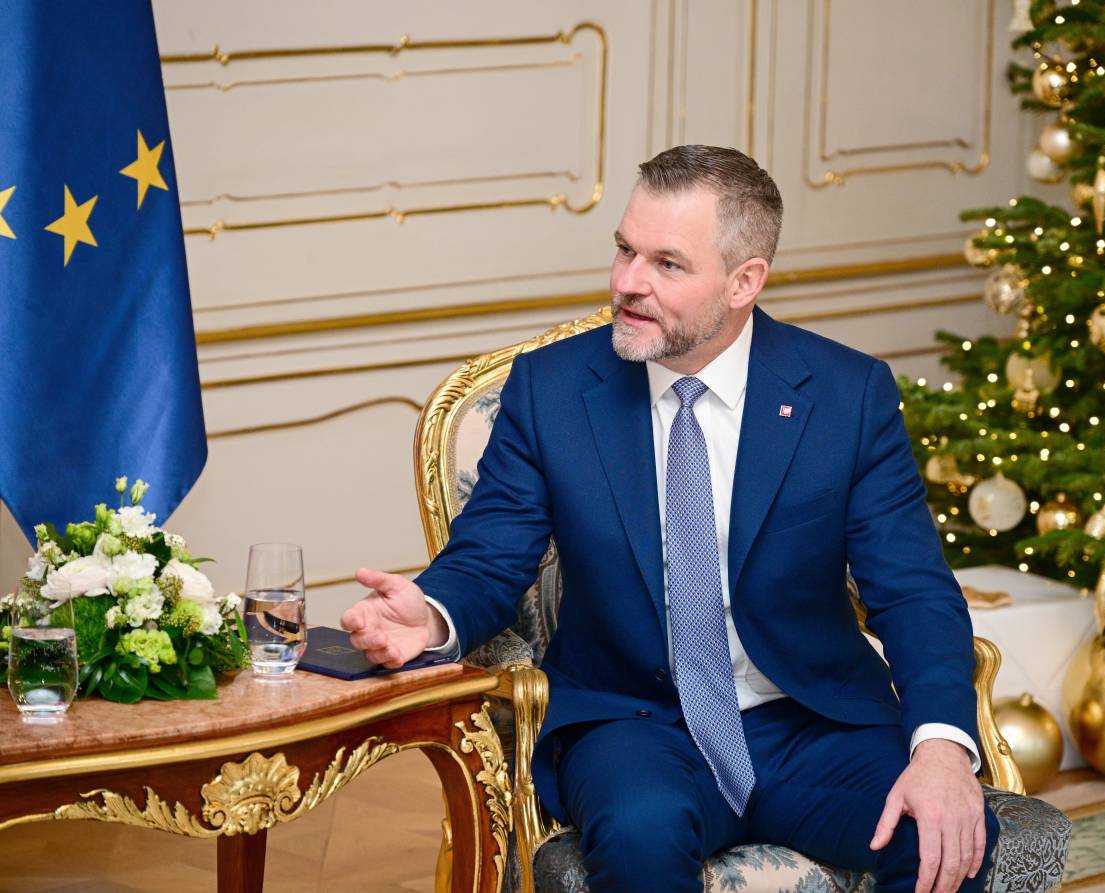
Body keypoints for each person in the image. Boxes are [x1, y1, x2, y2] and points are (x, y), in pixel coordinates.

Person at [342, 145, 999, 893]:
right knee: (641, 833)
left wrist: (942, 749)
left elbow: (913, 590)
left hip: (808, 721)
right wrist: (430, 615)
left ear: (744, 281)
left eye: (667, 264)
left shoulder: (847, 396)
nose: (628, 282)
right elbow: (491, 553)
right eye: (625, 249)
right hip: (634, 724)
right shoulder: (552, 391)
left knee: (947, 831)